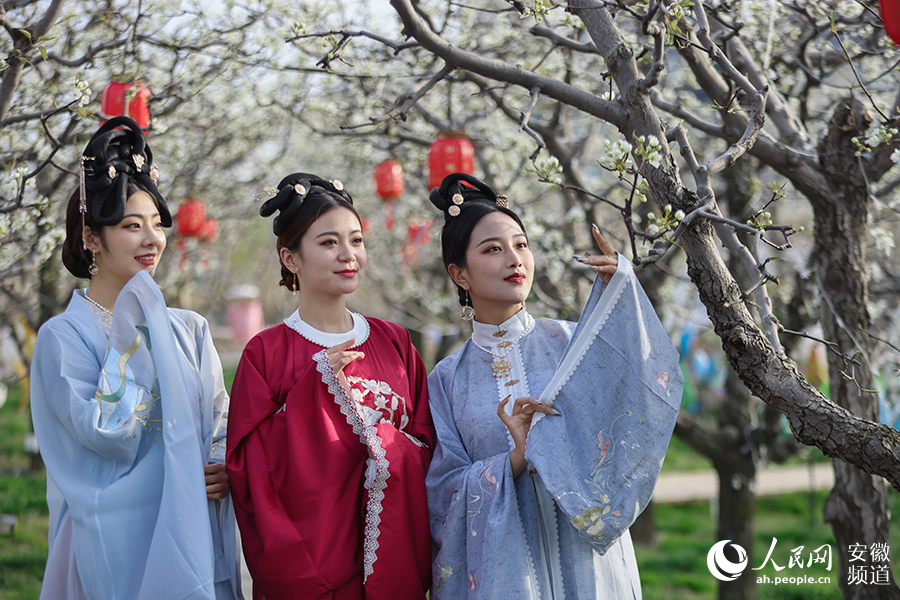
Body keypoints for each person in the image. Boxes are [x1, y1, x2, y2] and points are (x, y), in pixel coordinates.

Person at [426, 173, 683, 598]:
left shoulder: (572, 343)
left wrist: (622, 297)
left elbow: (642, 390)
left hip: (591, 566)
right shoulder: (447, 380)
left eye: (521, 244)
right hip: (508, 576)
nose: (515, 259)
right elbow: (441, 494)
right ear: (460, 274)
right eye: (493, 249)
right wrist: (515, 460)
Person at [30, 117, 243, 599]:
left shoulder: (189, 328)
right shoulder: (63, 337)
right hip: (108, 543)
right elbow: (108, 434)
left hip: (188, 527)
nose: (153, 240)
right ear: (91, 237)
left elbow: (218, 420)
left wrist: (221, 463)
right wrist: (136, 327)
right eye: (132, 227)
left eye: (157, 226)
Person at [226, 173, 434, 600]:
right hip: (315, 575)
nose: (348, 255)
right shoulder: (266, 353)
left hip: (392, 562)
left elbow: (429, 443)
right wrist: (314, 395)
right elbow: (250, 472)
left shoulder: (394, 341)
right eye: (328, 243)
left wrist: (384, 446)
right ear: (291, 259)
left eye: (356, 240)